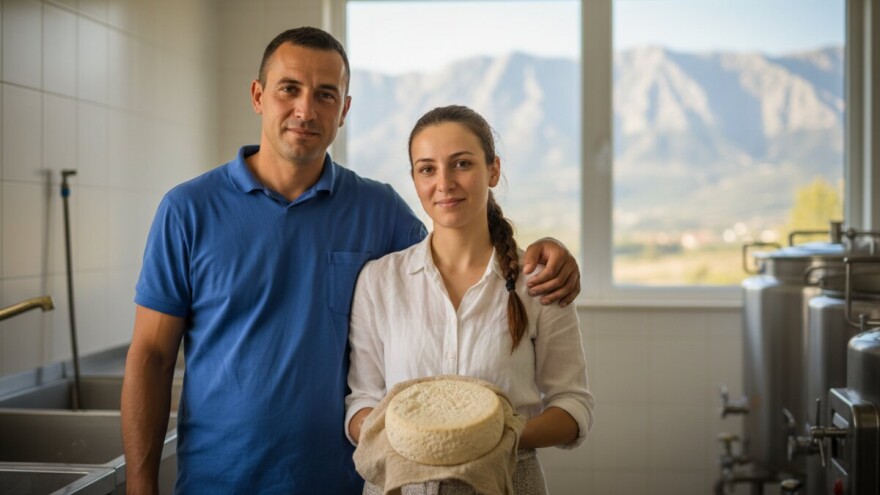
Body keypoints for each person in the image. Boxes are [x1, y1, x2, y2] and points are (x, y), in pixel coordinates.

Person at [120, 27, 581, 494]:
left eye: (325, 94)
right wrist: (140, 484)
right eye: (289, 89)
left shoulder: (377, 210)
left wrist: (548, 253)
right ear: (258, 96)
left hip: (339, 481)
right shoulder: (188, 211)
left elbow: (457, 251)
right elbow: (151, 358)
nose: (305, 109)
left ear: (344, 110)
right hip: (219, 481)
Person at [345, 105, 594, 494]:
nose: (444, 183)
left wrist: (495, 438)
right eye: (427, 168)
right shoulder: (379, 281)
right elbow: (362, 399)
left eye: (461, 164)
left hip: (510, 482)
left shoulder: (540, 281)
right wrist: (402, 437)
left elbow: (573, 407)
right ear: (414, 178)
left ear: (493, 170)